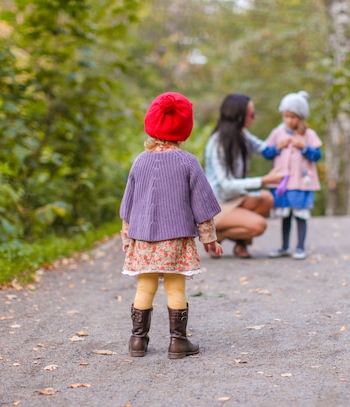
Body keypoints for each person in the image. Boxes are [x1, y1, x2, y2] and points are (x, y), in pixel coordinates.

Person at [119, 92, 224, 359]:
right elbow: (203, 205)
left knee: (144, 287)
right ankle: (178, 342)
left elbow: (128, 205)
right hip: (176, 239)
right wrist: (209, 239)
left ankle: (137, 342)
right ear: (184, 128)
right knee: (175, 288)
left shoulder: (140, 161)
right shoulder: (188, 162)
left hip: (143, 239)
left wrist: (127, 238)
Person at [204, 93, 284, 259]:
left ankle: (241, 245)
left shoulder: (243, 135)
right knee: (258, 225)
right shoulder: (218, 143)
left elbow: (265, 150)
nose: (254, 117)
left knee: (266, 199)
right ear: (239, 116)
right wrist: (263, 180)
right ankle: (216, 235)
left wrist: (286, 136)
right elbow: (225, 184)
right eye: (251, 114)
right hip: (216, 205)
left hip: (235, 199)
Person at [264, 91, 322, 260]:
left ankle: (300, 247)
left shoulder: (308, 134)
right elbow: (267, 153)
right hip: (283, 183)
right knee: (285, 215)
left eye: (293, 117)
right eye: (286, 116)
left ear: (301, 117)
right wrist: (277, 148)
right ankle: (284, 246)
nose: (289, 120)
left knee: (300, 215)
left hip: (301, 182)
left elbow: (317, 156)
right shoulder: (277, 133)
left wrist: (304, 147)